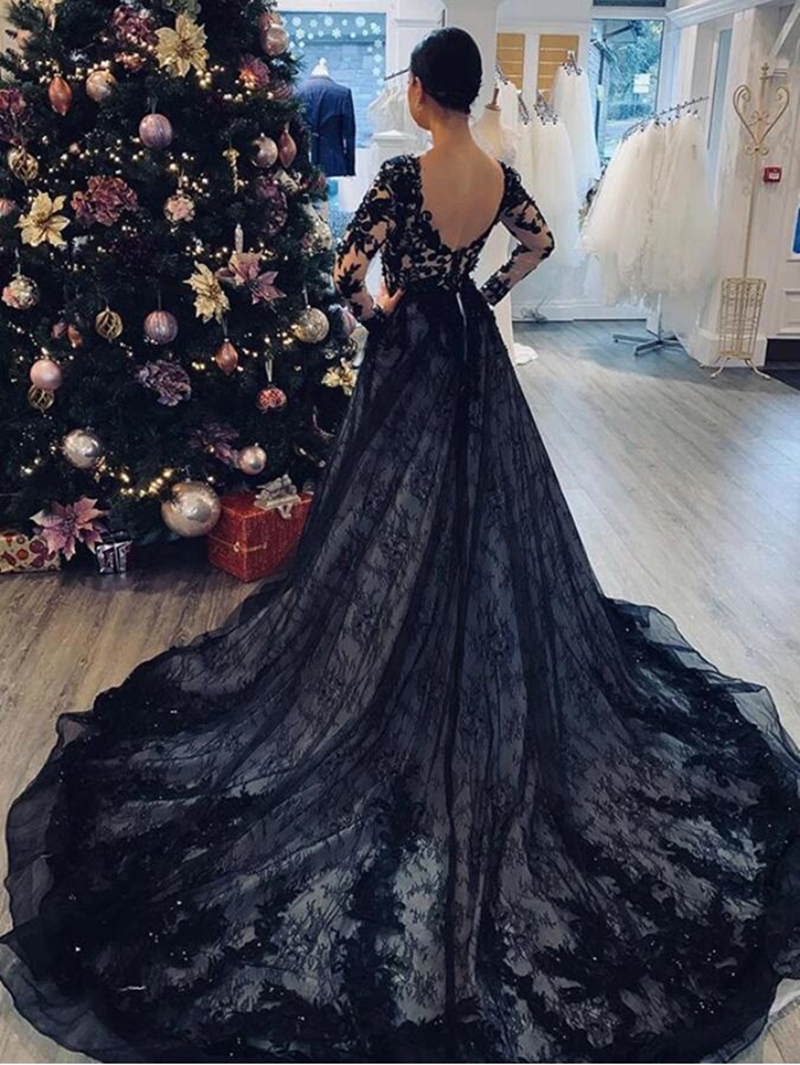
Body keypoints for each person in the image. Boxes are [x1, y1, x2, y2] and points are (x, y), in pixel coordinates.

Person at [1, 25, 800, 1065]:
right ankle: (457, 622)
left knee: (387, 495)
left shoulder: (399, 177)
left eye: (414, 86)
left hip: (412, 344)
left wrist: (382, 309)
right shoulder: (497, 175)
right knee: (478, 495)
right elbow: (538, 243)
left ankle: (396, 636)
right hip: (469, 342)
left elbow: (346, 272)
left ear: (423, 92)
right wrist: (482, 294)